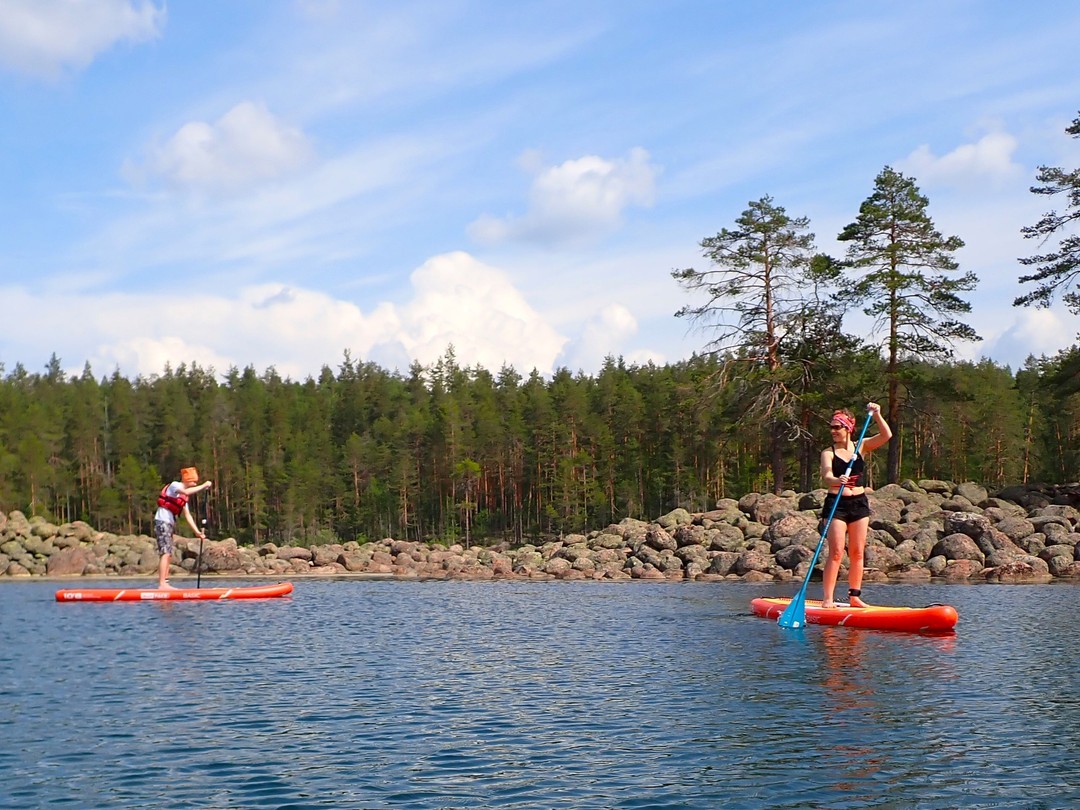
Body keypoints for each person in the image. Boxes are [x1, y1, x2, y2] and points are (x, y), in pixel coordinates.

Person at [820, 403, 891, 609]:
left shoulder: (861, 445)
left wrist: (877, 414)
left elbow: (886, 435)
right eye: (831, 427)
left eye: (837, 427)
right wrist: (836, 479)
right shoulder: (828, 452)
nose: (833, 431)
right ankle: (828, 599)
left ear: (848, 428)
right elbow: (826, 475)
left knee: (857, 552)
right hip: (837, 504)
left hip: (859, 503)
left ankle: (854, 597)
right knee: (836, 553)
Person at [154, 466, 213, 589]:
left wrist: (197, 532)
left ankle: (165, 582)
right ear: (187, 479)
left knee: (169, 554)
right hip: (162, 521)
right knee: (165, 553)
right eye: (193, 481)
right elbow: (186, 492)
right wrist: (203, 486)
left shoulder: (184, 499)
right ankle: (162, 584)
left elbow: (187, 516)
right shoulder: (176, 485)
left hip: (169, 523)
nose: (195, 483)